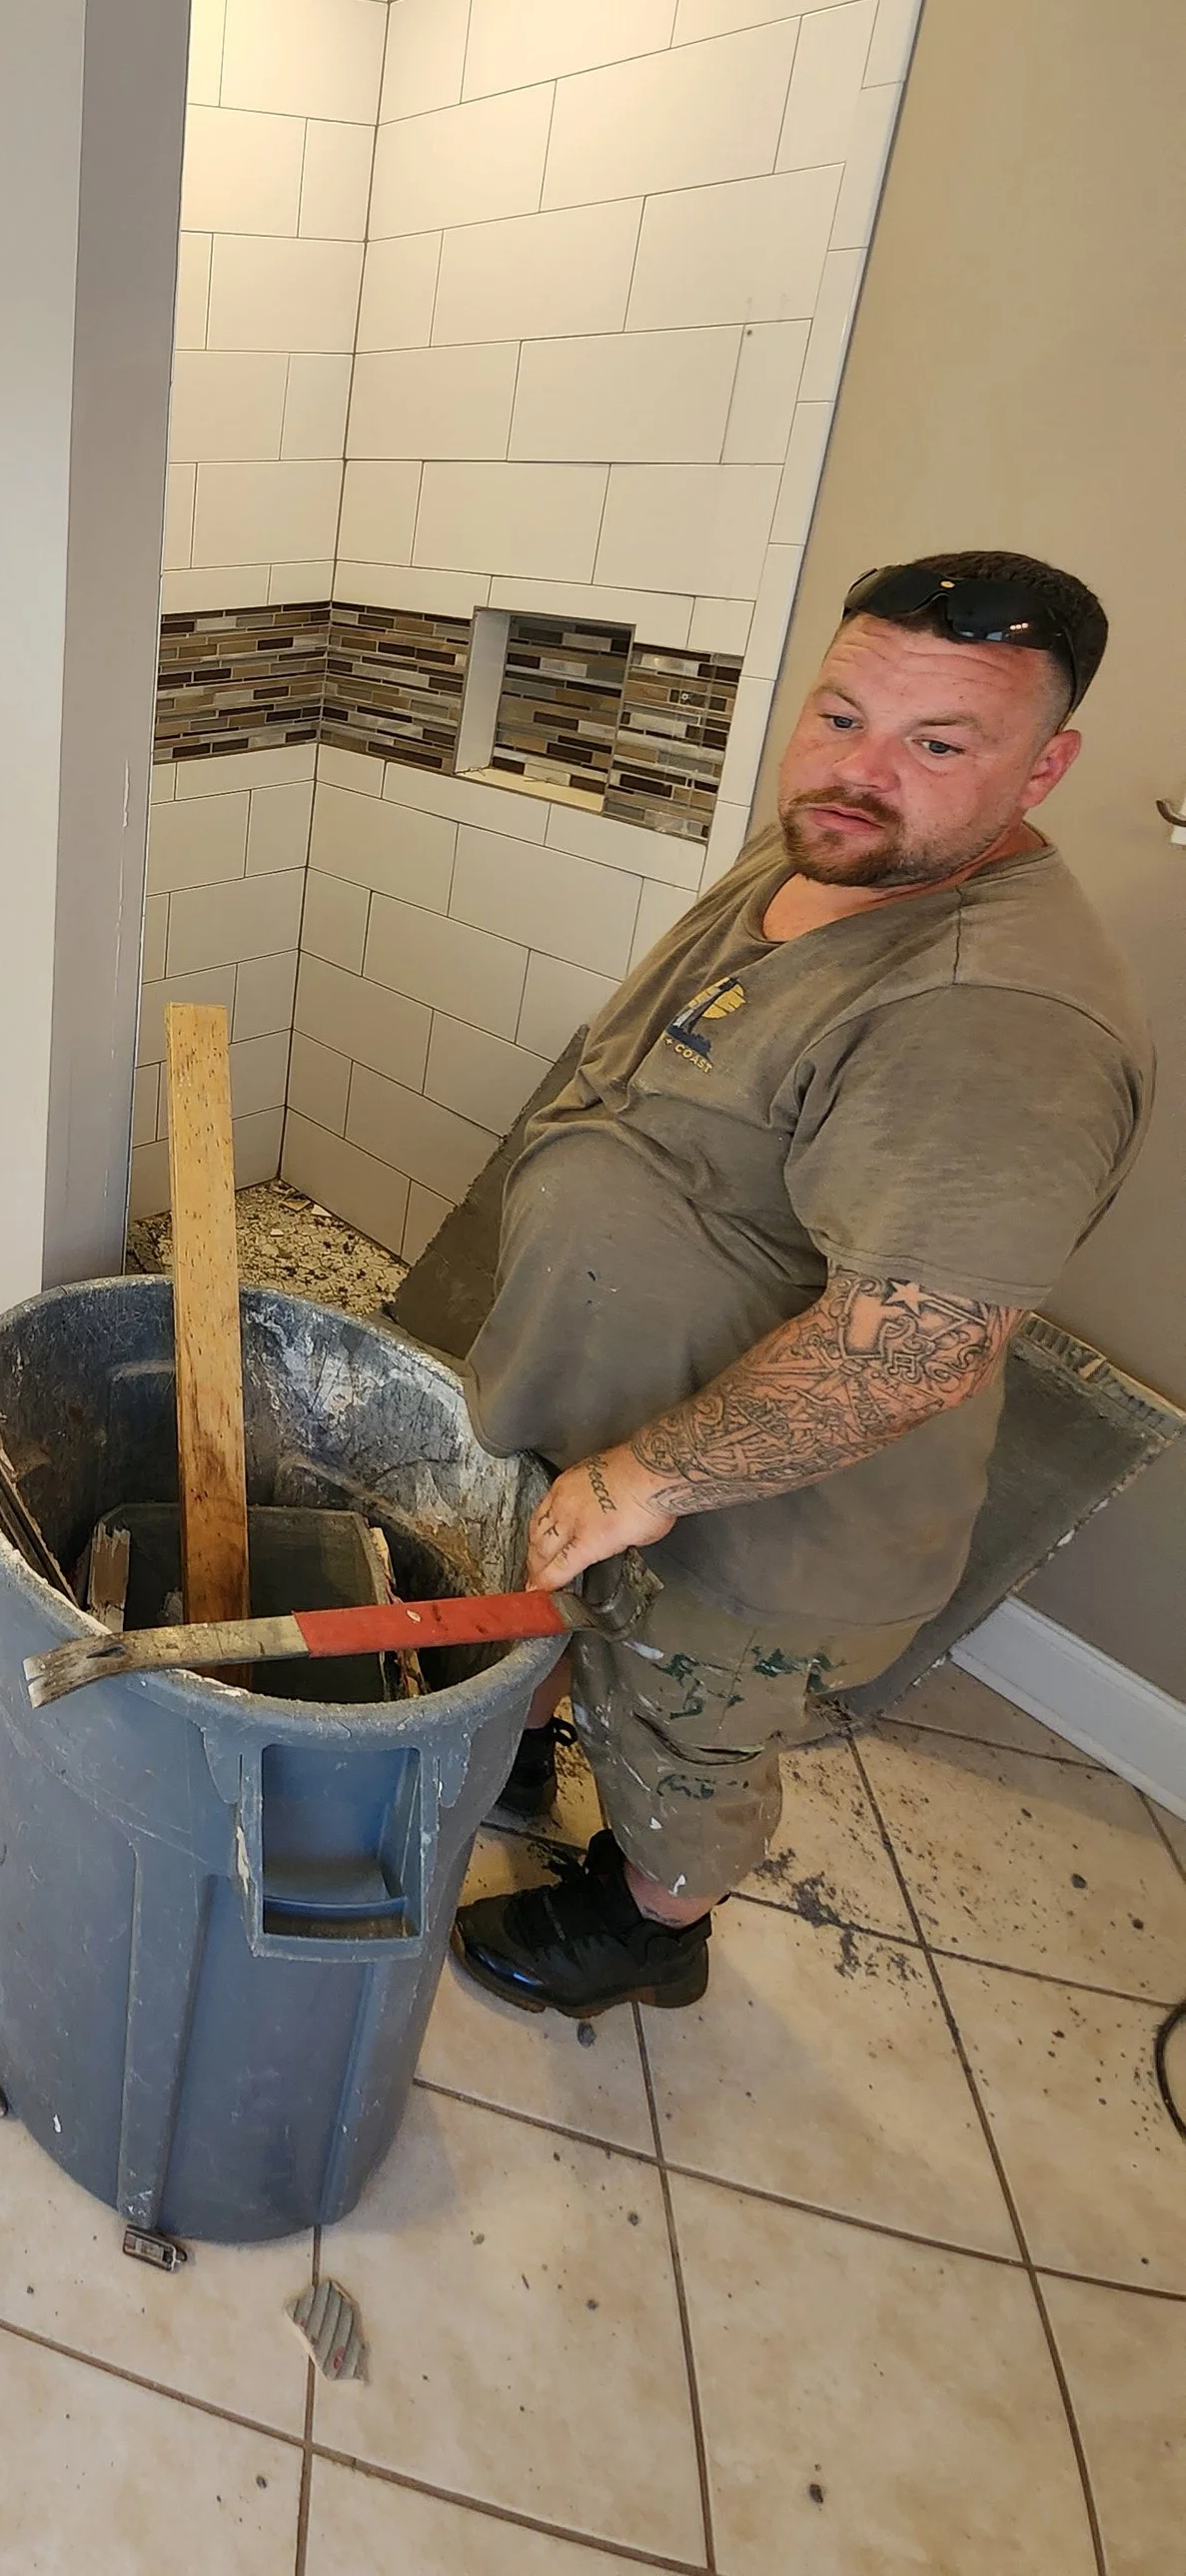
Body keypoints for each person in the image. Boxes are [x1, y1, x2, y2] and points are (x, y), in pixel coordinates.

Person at [452, 550, 1152, 2021]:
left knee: (683, 1735)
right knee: (563, 1618)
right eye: (841, 715)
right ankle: (516, 1738)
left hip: (752, 1535)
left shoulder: (995, 1017)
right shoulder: (841, 847)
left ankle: (650, 1928)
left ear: (1047, 765)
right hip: (607, 1424)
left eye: (937, 742)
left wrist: (649, 1476)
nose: (861, 770)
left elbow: (915, 1347)